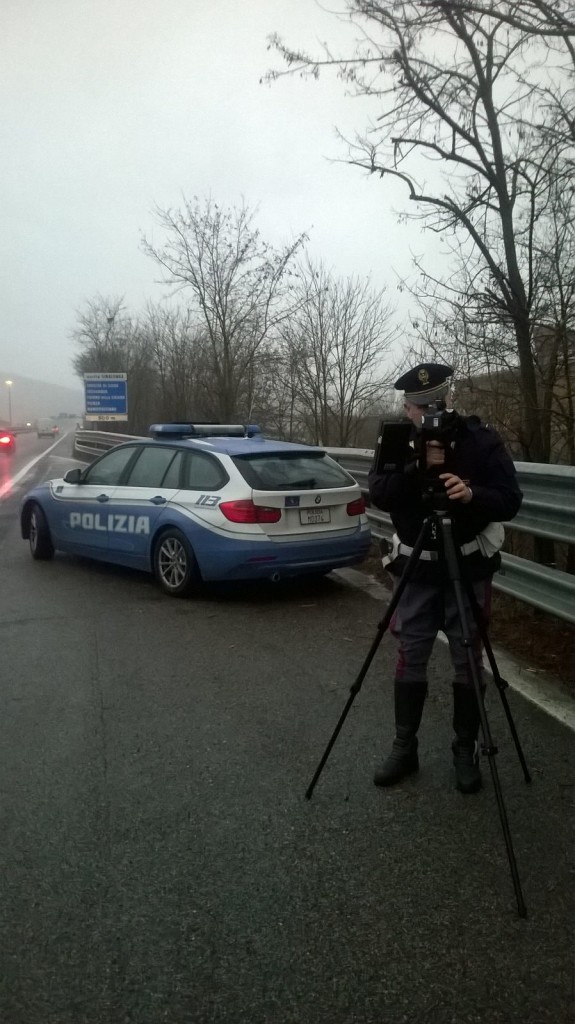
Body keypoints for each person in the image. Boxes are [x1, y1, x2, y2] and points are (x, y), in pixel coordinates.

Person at [368, 362, 522, 793]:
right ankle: (404, 746)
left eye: (431, 405)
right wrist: (416, 468)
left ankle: (464, 747)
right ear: (407, 407)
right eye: (415, 407)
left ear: (448, 400)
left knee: (467, 653)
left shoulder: (480, 440)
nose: (423, 415)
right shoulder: (397, 440)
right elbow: (378, 493)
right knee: (411, 651)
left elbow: (510, 500)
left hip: (467, 565)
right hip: (416, 566)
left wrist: (471, 494)